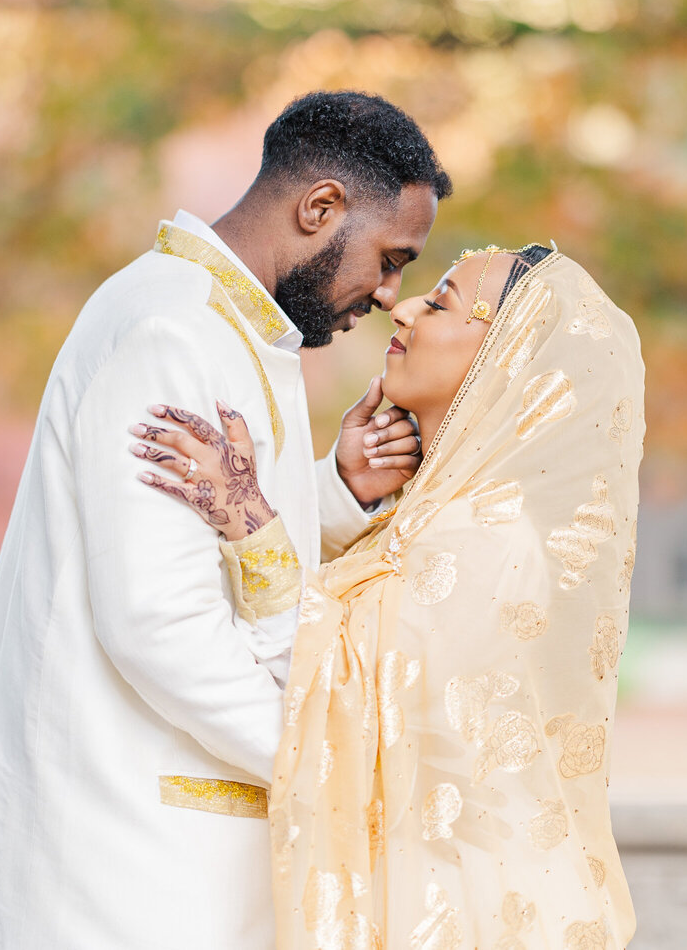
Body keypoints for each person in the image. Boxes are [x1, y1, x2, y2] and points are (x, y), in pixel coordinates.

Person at [0, 90, 451, 949]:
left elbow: (234, 551)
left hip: (172, 852)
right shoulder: (171, 328)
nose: (389, 293)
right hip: (127, 859)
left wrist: (337, 490)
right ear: (320, 207)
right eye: (390, 257)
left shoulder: (238, 327)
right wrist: (324, 763)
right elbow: (159, 622)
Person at [133, 244, 645, 950]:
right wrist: (342, 488)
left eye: (438, 303)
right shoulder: (429, 519)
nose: (400, 308)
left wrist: (252, 521)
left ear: (503, 358)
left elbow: (340, 706)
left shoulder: (486, 540)